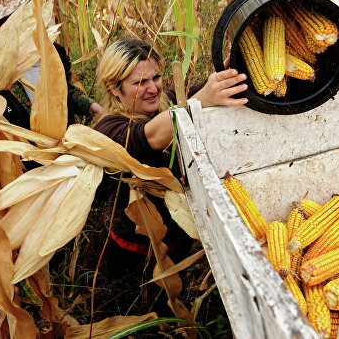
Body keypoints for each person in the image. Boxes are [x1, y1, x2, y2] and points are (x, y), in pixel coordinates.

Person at [91, 38, 247, 314]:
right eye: (140, 83)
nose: (152, 88)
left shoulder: (163, 104)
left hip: (178, 247)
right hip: (136, 259)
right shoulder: (107, 130)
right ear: (114, 89)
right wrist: (200, 101)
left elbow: (192, 95)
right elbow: (147, 136)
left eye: (157, 77)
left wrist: (225, 76)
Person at [0, 0, 103, 130]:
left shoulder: (56, 53)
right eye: (6, 21)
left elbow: (66, 91)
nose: (15, 25)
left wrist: (91, 107)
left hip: (64, 144)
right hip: (23, 150)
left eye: (21, 16)